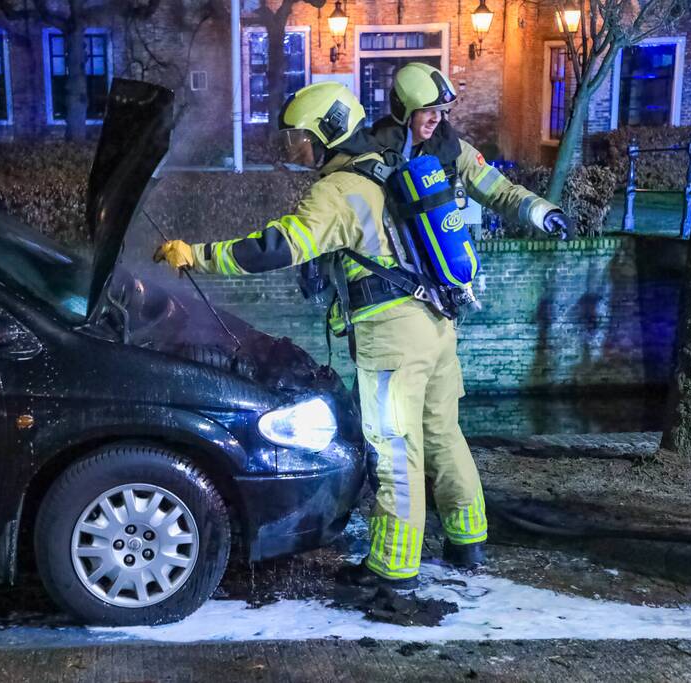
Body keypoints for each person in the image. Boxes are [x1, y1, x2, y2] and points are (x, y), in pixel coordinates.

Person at [154, 81, 565, 589]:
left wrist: (201, 254)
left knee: (395, 449)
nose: (296, 150)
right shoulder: (383, 169)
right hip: (436, 323)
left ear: (327, 131)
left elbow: (278, 247)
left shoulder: (339, 191)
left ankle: (393, 570)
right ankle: (468, 538)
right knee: (442, 435)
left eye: (300, 139)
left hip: (392, 335)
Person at [366, 62, 570, 238]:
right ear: (404, 110)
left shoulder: (453, 151)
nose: (436, 118)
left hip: (436, 259)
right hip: (388, 266)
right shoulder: (370, 153)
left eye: (441, 111)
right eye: (428, 110)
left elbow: (499, 191)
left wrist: (543, 213)